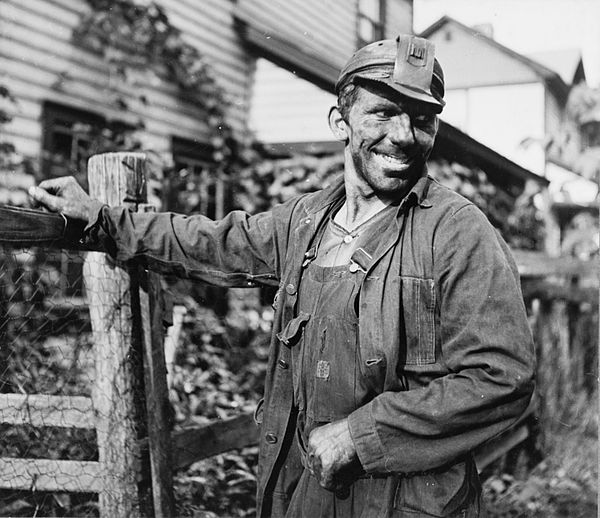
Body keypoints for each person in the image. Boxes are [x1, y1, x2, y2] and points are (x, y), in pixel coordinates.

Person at [29, 34, 535, 518]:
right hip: (305, 491)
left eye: (422, 120)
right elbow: (208, 241)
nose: (404, 136)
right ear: (341, 120)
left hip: (406, 500)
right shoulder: (305, 222)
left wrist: (359, 436)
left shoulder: (456, 231)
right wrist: (102, 219)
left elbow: (501, 378)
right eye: (384, 112)